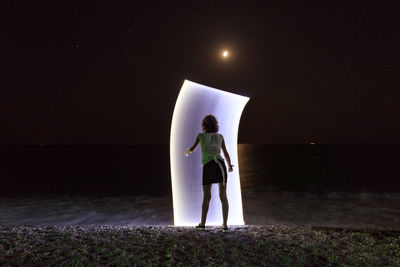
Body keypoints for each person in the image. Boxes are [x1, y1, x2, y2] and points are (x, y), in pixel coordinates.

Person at [184, 114, 233, 232]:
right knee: (223, 197)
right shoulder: (220, 136)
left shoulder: (200, 136)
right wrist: (229, 165)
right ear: (216, 125)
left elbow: (192, 148)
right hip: (220, 165)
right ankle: (225, 225)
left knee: (206, 197)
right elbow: (225, 153)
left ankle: (202, 223)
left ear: (204, 125)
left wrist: (187, 151)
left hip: (208, 167)